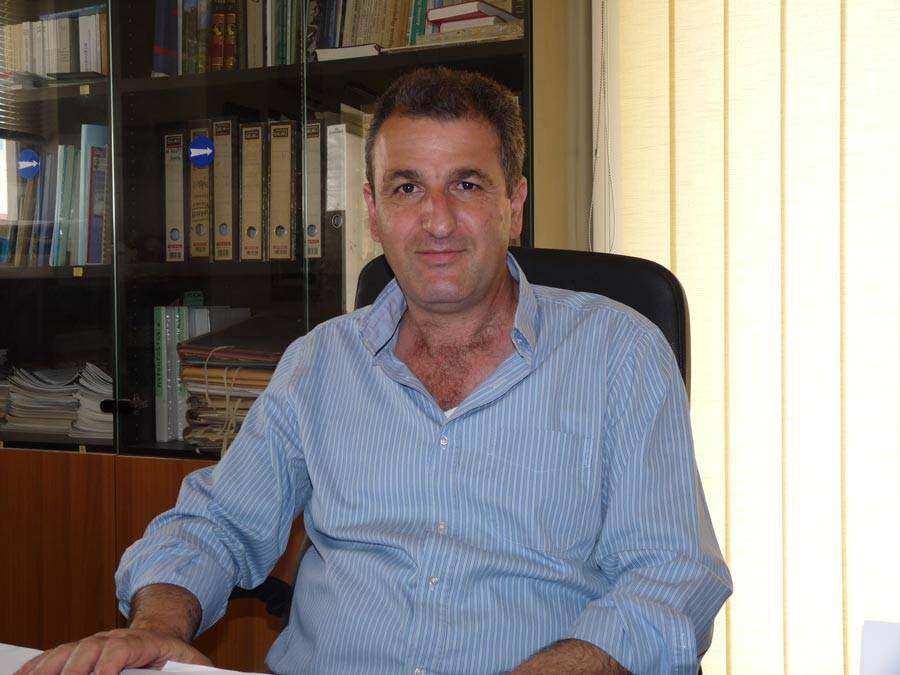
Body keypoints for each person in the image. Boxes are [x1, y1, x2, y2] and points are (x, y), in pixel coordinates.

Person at [17, 67, 731, 675]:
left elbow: (672, 576)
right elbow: (215, 522)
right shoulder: (320, 362)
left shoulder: (618, 353)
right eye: (407, 188)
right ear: (373, 210)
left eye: (467, 184)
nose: (437, 221)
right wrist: (159, 625)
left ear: (514, 205)